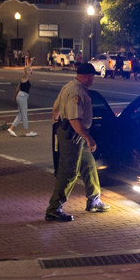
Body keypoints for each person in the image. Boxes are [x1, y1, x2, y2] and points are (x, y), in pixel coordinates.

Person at [46, 62, 110, 221]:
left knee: (89, 165)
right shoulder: (77, 92)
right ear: (87, 76)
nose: (93, 79)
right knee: (69, 172)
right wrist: (89, 138)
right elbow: (75, 120)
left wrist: (57, 125)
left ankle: (94, 200)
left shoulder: (68, 87)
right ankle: (54, 209)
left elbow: (55, 109)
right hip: (74, 135)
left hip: (71, 133)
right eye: (93, 76)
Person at [9, 64, 38, 137]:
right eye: (30, 70)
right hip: (22, 97)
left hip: (21, 96)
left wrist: (15, 95)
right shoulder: (24, 77)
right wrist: (31, 61)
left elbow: (18, 87)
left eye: (31, 70)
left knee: (21, 114)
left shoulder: (24, 79)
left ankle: (11, 128)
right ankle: (27, 131)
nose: (31, 71)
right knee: (24, 114)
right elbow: (19, 86)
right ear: (26, 71)